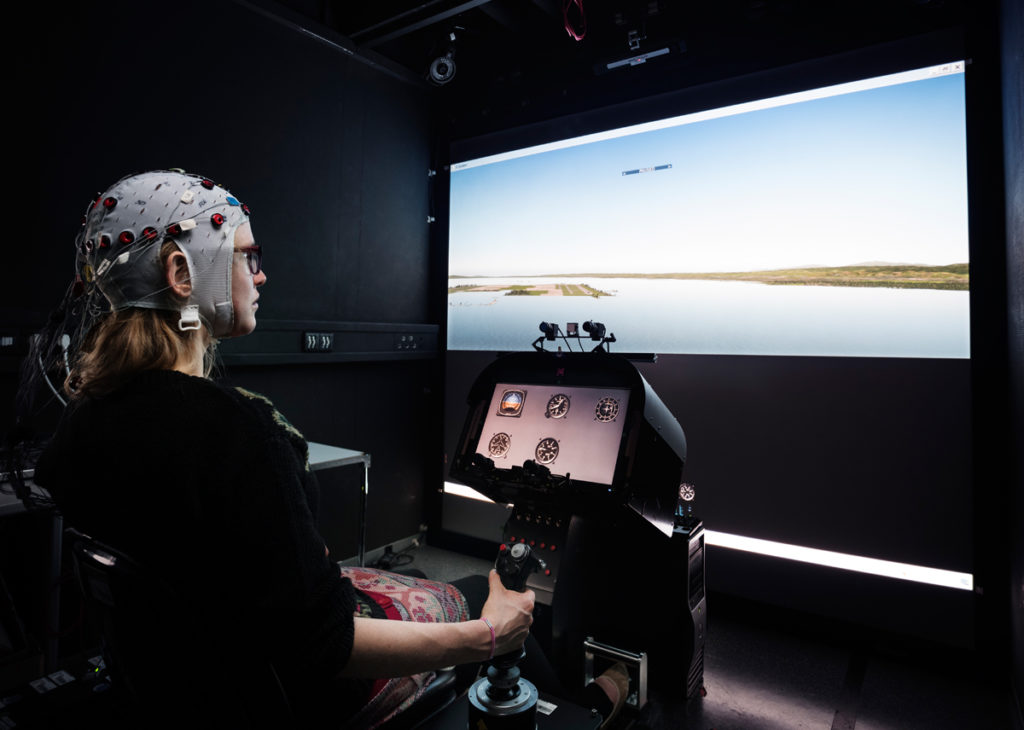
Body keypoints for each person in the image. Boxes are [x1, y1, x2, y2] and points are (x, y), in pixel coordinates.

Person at [28, 170, 626, 729]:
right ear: (183, 275)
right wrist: (490, 635)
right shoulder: (242, 433)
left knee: (409, 573)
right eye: (248, 256)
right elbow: (324, 646)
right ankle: (586, 711)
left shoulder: (80, 428)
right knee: (473, 595)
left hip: (185, 688)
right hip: (300, 694)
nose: (260, 276)